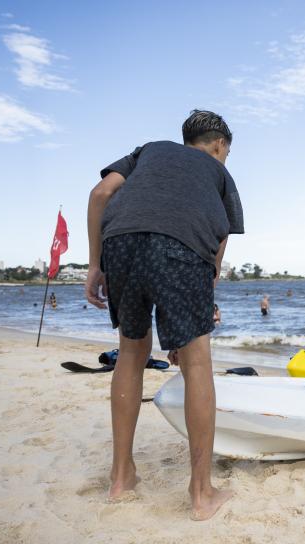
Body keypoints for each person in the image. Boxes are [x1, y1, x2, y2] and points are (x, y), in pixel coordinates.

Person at [85, 109, 244, 520]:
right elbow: (218, 241)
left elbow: (100, 195)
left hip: (119, 241)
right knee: (197, 362)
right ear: (220, 145)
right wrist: (193, 312)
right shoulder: (219, 174)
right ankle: (201, 492)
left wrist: (95, 264)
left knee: (131, 353)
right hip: (183, 249)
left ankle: (121, 479)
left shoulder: (149, 151)